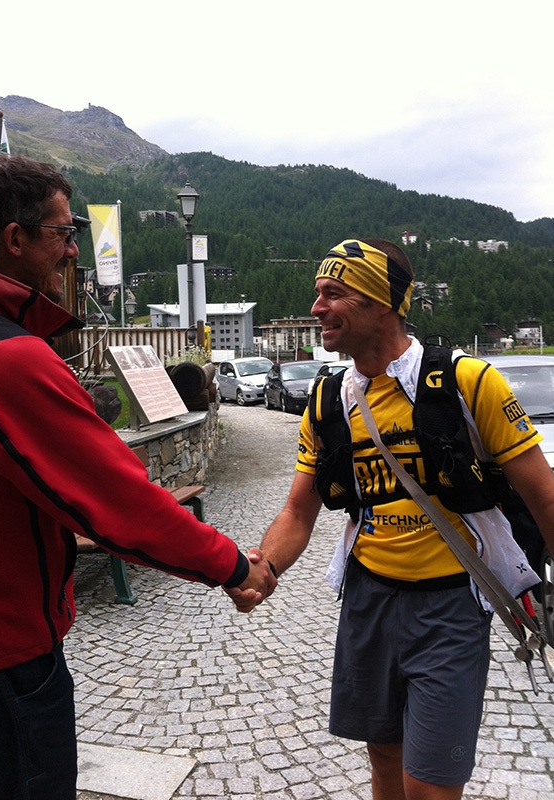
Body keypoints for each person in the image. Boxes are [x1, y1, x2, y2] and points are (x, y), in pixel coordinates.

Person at [0, 155, 276, 800]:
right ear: (13, 239)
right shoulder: (2, 357)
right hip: (3, 639)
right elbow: (113, 500)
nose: (72, 249)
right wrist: (233, 567)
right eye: (61, 230)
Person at [231, 238, 554, 800]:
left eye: (334, 294)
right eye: (317, 293)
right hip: (367, 599)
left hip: (451, 605)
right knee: (383, 758)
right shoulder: (329, 400)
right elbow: (297, 510)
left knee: (429, 786)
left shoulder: (468, 382)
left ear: (383, 302)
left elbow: (544, 497)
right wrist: (263, 567)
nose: (317, 308)